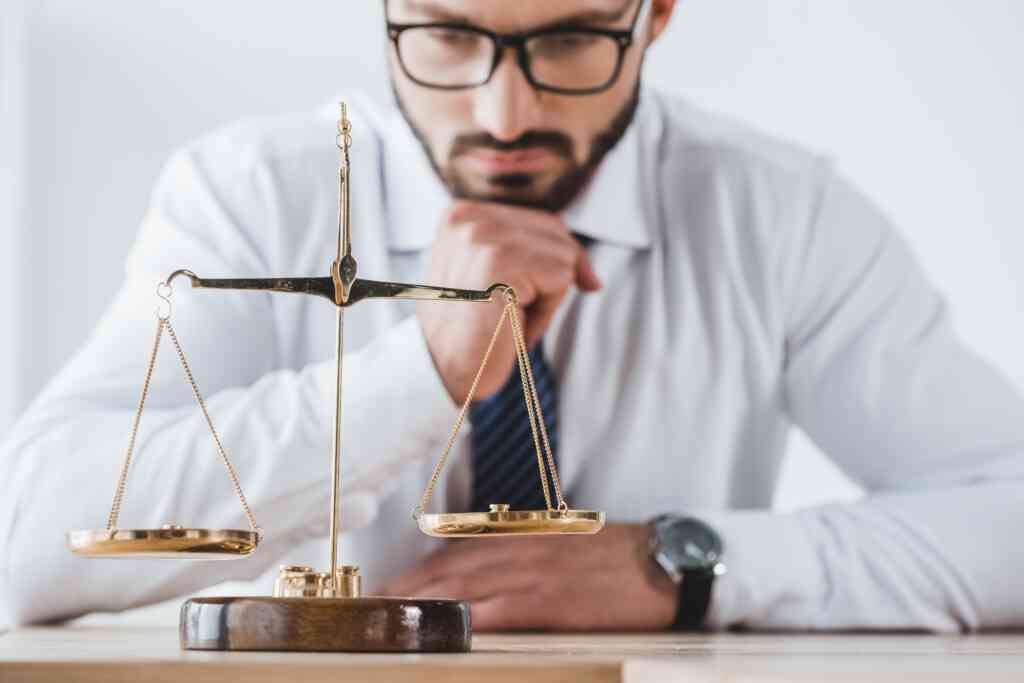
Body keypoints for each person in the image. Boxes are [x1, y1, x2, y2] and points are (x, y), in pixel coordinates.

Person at [2, 0, 1023, 632]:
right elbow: (24, 543)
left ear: (653, 15)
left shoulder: (778, 212)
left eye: (571, 38)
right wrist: (423, 376)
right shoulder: (249, 195)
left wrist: (680, 562)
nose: (503, 116)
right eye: (448, 33)